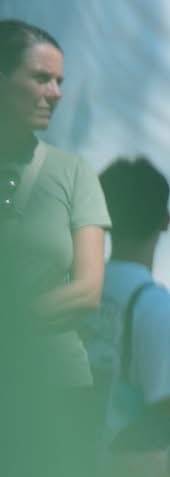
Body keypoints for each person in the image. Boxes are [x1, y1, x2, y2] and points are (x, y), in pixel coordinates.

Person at [0, 21, 108, 401]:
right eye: (41, 78)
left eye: (59, 81)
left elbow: (88, 291)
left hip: (56, 389)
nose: (56, 93)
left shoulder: (73, 173)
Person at [91, 156, 170, 434]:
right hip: (132, 458)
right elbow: (166, 411)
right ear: (166, 221)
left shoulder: (76, 289)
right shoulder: (155, 306)